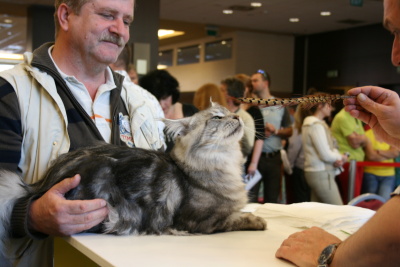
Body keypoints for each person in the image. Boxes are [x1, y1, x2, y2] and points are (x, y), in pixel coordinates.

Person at [0, 0, 165, 265]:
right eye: (107, 15)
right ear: (66, 16)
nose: (120, 30)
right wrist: (31, 216)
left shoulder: (142, 103)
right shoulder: (11, 92)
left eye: (127, 21)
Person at [276, 0, 400, 265]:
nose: (395, 56)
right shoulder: (315, 125)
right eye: (394, 34)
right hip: (323, 171)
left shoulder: (315, 125)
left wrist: (330, 255)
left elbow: (391, 241)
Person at [250, 69, 293, 203]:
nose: (252, 83)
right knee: (250, 199)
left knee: (272, 200)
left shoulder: (280, 104)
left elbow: (290, 131)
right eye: (251, 81)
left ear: (266, 83)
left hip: (274, 158)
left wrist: (275, 131)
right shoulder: (251, 106)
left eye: (255, 80)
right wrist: (259, 132)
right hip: (255, 158)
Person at [301, 94, 348, 205]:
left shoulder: (314, 124)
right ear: (320, 106)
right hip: (320, 172)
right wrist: (341, 157)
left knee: (319, 212)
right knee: (338, 210)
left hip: (318, 172)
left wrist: (337, 156)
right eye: (328, 105)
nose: (331, 108)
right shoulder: (316, 125)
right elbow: (325, 154)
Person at [139, 69, 198, 151]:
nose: (161, 104)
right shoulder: (144, 117)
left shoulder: (190, 112)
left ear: (172, 94)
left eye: (164, 98)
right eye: (155, 99)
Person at [220, 77, 255, 160]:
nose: (218, 93)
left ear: (230, 95)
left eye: (222, 90)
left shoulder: (246, 118)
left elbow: (246, 149)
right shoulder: (218, 114)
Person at [362, 128, 400, 200]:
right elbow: (371, 156)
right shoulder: (367, 134)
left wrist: (378, 151)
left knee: (384, 201)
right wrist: (388, 153)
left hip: (388, 175)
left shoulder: (391, 135)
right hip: (370, 173)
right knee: (369, 201)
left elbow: (395, 153)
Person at [285, 105, 310, 203]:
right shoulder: (316, 126)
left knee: (300, 200)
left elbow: (293, 149)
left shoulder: (297, 128)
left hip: (300, 169)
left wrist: (289, 167)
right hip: (311, 168)